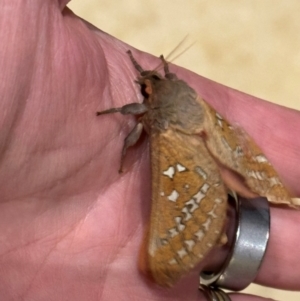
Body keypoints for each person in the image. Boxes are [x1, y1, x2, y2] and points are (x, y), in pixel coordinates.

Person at [0, 2, 299, 300]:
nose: (146, 86)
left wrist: (114, 113)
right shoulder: (175, 92)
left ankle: (235, 198)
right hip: (205, 129)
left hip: (181, 148)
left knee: (164, 246)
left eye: (147, 91)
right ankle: (252, 185)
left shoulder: (154, 113)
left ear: (149, 99)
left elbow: (139, 111)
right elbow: (157, 78)